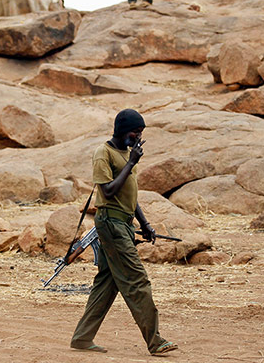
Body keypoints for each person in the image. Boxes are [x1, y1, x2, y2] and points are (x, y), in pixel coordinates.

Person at [70, 109, 178, 357]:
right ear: (121, 129)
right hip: (111, 224)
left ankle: (82, 338)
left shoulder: (128, 154)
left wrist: (144, 223)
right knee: (137, 280)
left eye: (141, 133)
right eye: (135, 131)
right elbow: (107, 193)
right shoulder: (104, 153)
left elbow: (130, 193)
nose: (138, 137)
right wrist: (131, 163)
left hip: (124, 223)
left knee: (107, 282)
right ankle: (155, 340)